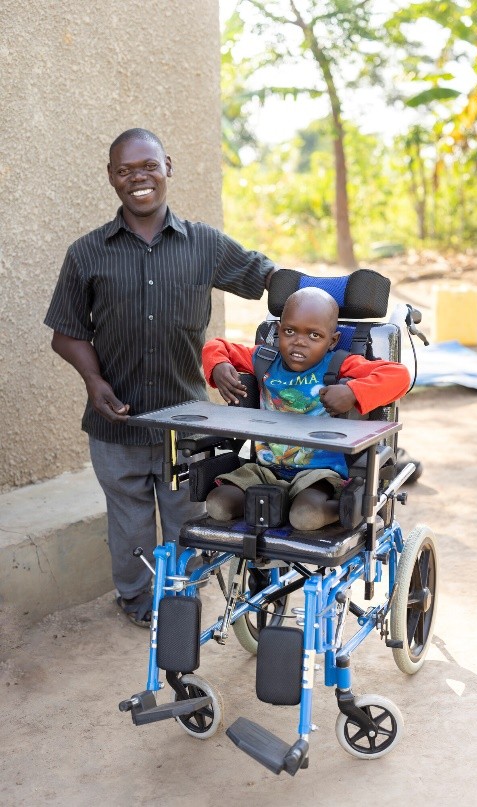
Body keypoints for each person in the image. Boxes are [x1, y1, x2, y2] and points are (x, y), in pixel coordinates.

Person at [44, 128, 279, 627]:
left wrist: (334, 298)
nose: (138, 178)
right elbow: (65, 333)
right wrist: (93, 380)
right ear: (112, 178)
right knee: (128, 525)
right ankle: (135, 602)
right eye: (125, 171)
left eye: (147, 166)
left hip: (186, 424)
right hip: (117, 425)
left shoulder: (206, 246)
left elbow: (267, 278)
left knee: (188, 523)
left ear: (167, 166)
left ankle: (181, 604)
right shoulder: (87, 254)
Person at [202, 287, 411, 531]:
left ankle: (344, 507)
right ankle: (280, 505)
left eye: (314, 335)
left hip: (318, 474)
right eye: (290, 331)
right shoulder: (264, 359)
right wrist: (218, 365)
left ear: (332, 340)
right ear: (279, 331)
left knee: (305, 517)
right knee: (217, 505)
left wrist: (354, 392)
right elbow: (216, 346)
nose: (299, 341)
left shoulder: (339, 364)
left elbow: (399, 376)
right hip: (263, 469)